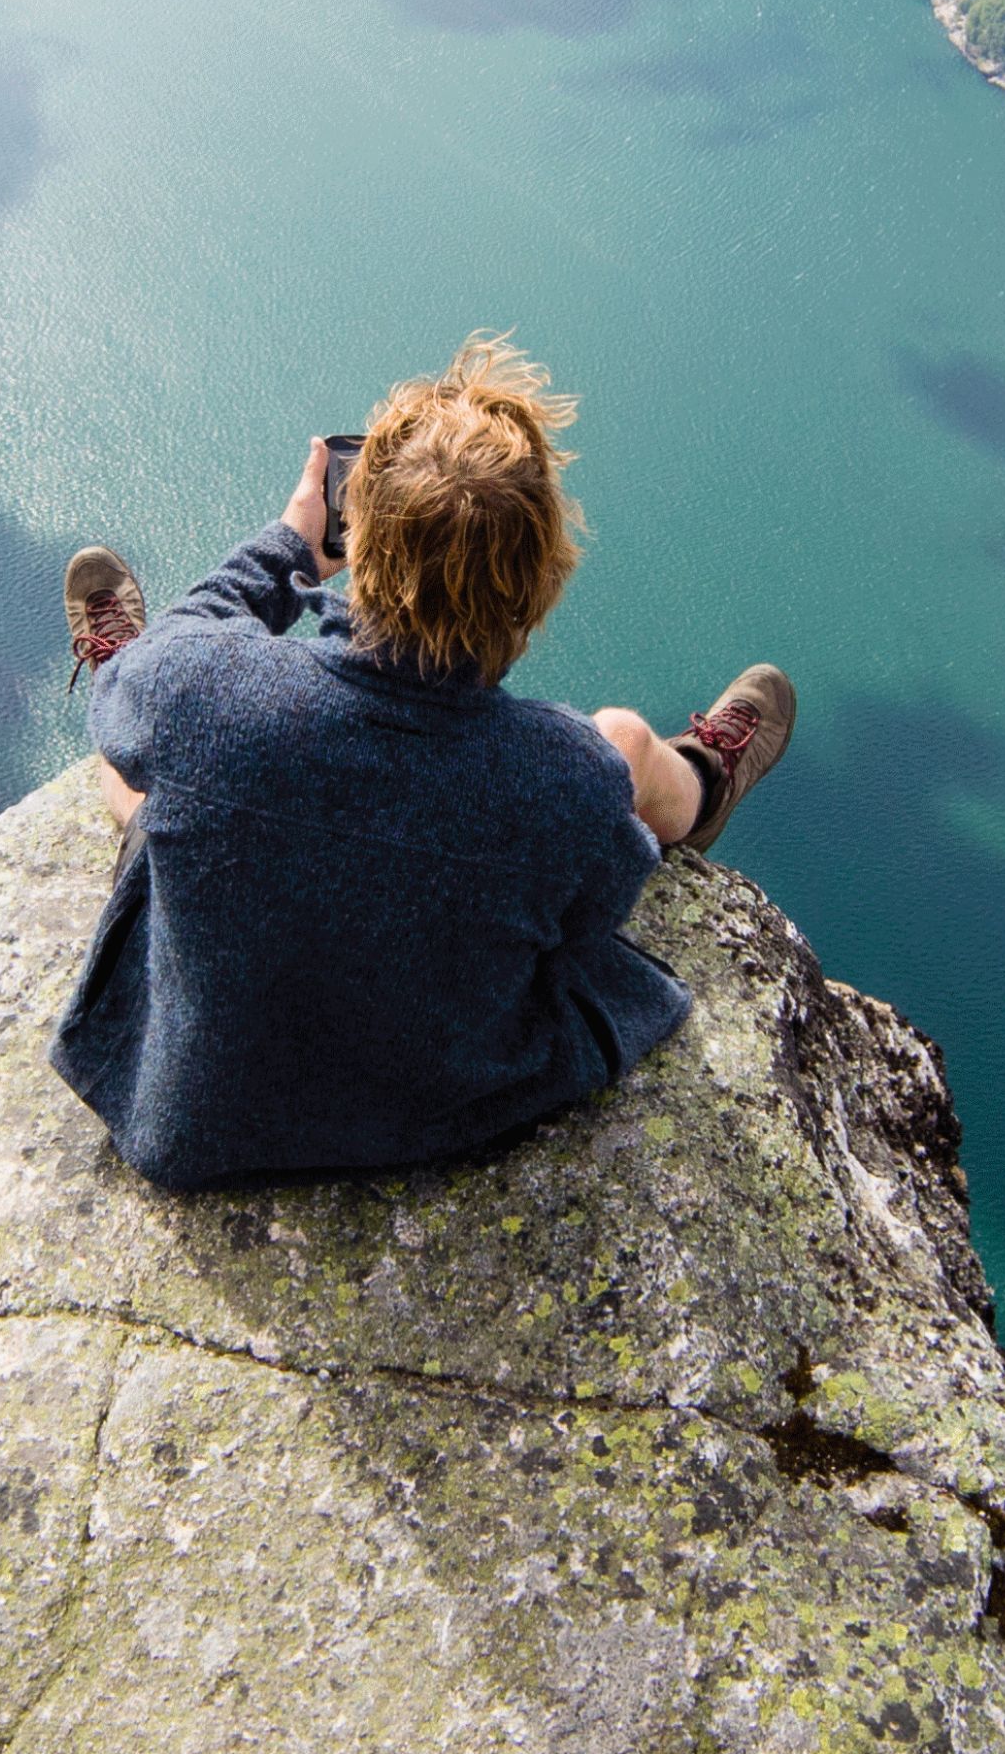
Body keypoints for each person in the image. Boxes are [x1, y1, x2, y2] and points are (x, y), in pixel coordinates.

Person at [46, 334, 795, 1193]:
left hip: (192, 1111)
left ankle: (120, 669)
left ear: (359, 543)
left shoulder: (194, 688)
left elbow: (199, 638)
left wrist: (290, 544)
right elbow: (586, 919)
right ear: (542, 583)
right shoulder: (572, 781)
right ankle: (699, 786)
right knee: (623, 736)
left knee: (151, 756)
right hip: (434, 1112)